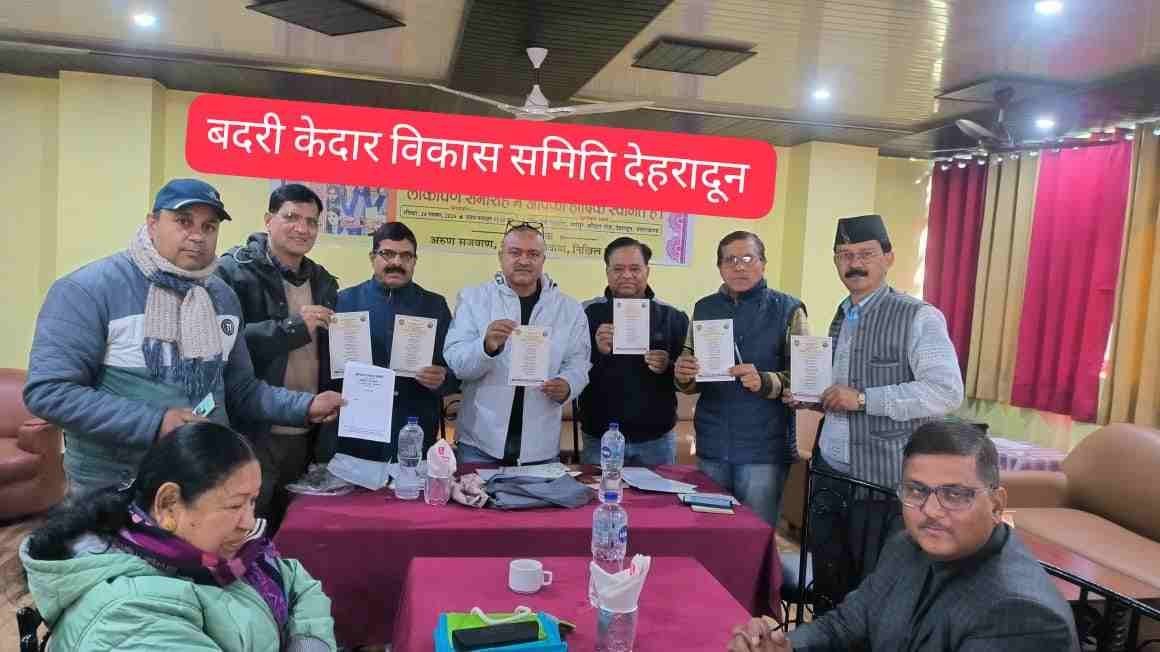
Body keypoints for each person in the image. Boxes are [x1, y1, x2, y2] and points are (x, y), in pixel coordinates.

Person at [24, 178, 344, 497]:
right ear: (152, 224)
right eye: (183, 221)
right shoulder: (88, 290)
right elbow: (50, 392)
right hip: (114, 488)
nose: (197, 236)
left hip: (202, 480)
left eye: (209, 227)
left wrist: (306, 405)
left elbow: (240, 389)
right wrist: (154, 422)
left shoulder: (221, 296)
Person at [727, 421, 1079, 652]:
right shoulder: (906, 546)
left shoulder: (1022, 615)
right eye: (917, 490)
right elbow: (848, 623)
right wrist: (787, 646)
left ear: (997, 504)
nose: (931, 510)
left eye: (955, 494)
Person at [20, 422, 336, 651]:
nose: (249, 522)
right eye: (235, 505)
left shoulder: (217, 556)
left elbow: (296, 581)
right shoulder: (128, 622)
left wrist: (309, 642)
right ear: (169, 504)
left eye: (252, 501)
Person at [788, 214, 964, 603]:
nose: (854, 263)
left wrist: (865, 399)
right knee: (829, 585)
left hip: (881, 483)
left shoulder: (918, 316)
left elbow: (946, 391)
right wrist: (814, 398)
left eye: (866, 253)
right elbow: (843, 390)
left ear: (888, 257)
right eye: (844, 255)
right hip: (830, 473)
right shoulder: (843, 314)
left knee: (873, 594)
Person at [216, 183, 339, 522]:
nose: (302, 228)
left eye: (311, 222)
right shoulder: (232, 272)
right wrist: (292, 328)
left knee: (296, 530)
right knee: (243, 526)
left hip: (308, 429)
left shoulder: (324, 281)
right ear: (268, 220)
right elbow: (222, 347)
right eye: (291, 217)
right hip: (253, 431)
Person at [673, 231, 807, 526]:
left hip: (763, 449)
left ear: (763, 263)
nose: (739, 266)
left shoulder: (789, 309)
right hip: (712, 443)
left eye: (748, 258)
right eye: (730, 260)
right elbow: (689, 377)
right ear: (719, 267)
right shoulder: (704, 308)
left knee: (754, 533)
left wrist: (764, 381)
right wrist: (683, 373)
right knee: (710, 531)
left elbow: (806, 380)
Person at [444, 221, 591, 465]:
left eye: (533, 254)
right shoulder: (473, 299)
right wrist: (485, 347)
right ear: (500, 256)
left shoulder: (569, 309)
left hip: (541, 449)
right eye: (515, 252)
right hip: (479, 444)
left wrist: (568, 384)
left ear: (543, 260)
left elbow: (579, 362)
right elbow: (457, 364)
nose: (524, 260)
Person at [319, 221, 458, 462]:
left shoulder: (434, 305)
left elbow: (456, 369)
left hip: (414, 426)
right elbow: (324, 367)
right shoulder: (344, 302)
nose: (397, 262)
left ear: (414, 261)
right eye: (387, 254)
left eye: (406, 256)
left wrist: (443, 378)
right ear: (372, 257)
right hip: (355, 429)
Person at [578, 237, 689, 465]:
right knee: (599, 490)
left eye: (635, 268)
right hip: (600, 436)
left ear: (647, 271)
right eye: (618, 269)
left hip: (656, 440)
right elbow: (569, 367)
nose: (627, 275)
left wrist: (668, 366)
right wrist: (596, 351)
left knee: (657, 491)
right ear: (607, 272)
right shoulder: (584, 313)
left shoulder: (673, 316)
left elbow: (688, 376)